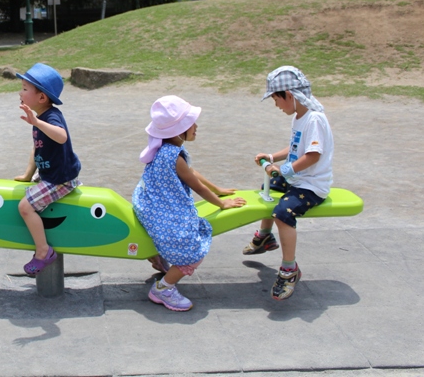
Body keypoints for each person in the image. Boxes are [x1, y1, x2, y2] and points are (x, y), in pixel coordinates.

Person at [133, 96, 246, 311]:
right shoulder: (174, 156)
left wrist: (218, 189)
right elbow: (198, 187)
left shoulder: (165, 149)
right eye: (191, 124)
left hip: (147, 201)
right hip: (158, 207)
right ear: (177, 131)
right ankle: (163, 288)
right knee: (193, 249)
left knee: (180, 237)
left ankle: (159, 260)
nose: (196, 127)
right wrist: (222, 204)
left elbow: (191, 173)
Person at [246, 66, 333, 301]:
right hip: (297, 178)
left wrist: (282, 170)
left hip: (311, 185)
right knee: (267, 187)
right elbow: (296, 149)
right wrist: (273, 158)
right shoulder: (299, 116)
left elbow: (312, 156)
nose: (276, 105)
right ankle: (264, 236)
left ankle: (289, 269)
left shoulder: (314, 119)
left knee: (283, 213)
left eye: (276, 99)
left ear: (290, 96)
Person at [13, 63, 81, 275]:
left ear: (41, 98)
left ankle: (43, 252)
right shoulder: (39, 117)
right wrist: (27, 175)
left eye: (25, 88)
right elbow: (37, 148)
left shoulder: (51, 116)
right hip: (49, 174)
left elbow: (61, 136)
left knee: (25, 207)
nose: (20, 92)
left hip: (60, 179)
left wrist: (37, 122)